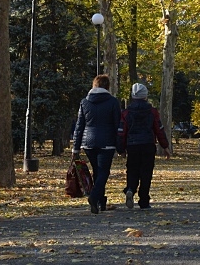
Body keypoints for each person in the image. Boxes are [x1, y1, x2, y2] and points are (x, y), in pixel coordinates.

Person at [72, 74, 121, 214]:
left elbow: (79, 126)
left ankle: (101, 201)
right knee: (103, 172)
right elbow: (118, 125)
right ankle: (94, 197)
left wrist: (75, 148)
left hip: (88, 143)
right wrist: (120, 146)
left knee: (97, 171)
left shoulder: (84, 102)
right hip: (107, 142)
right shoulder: (112, 102)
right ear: (107, 87)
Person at [118, 83, 170, 209]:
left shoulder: (126, 113)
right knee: (146, 172)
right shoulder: (152, 112)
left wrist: (121, 149)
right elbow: (159, 129)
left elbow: (122, 132)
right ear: (145, 96)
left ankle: (130, 188)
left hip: (132, 145)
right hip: (148, 144)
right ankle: (144, 200)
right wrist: (165, 146)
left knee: (132, 169)